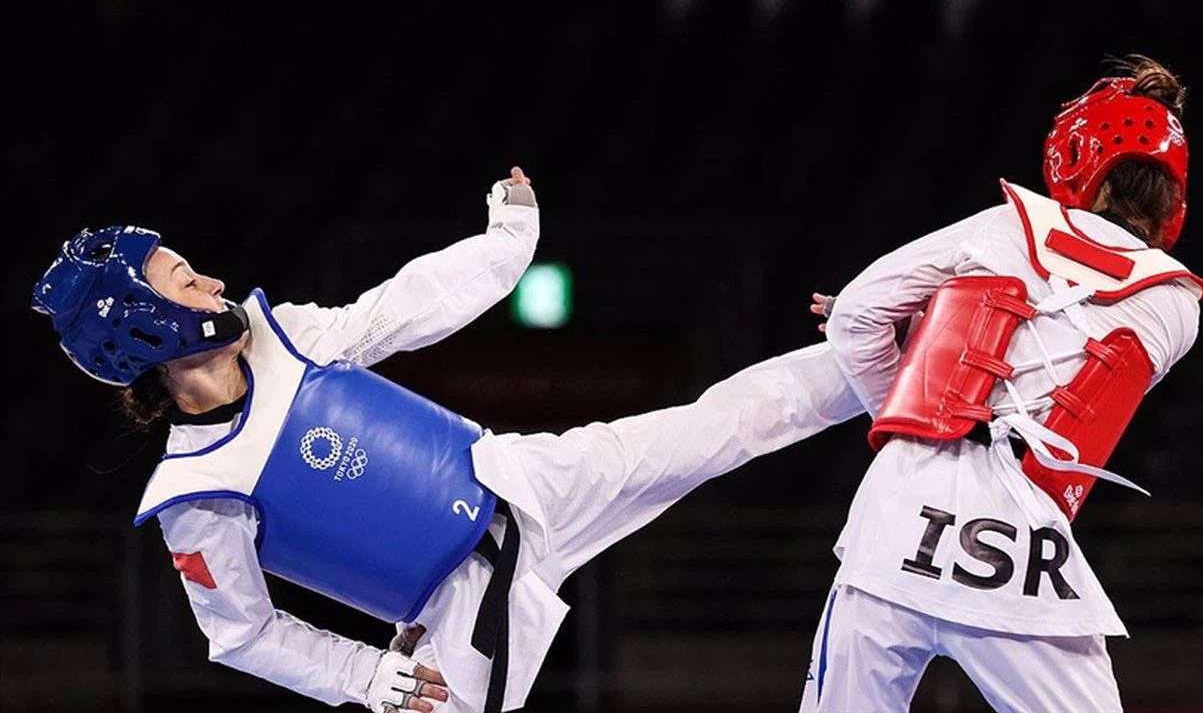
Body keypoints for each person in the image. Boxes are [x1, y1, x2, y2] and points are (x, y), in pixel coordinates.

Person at [31, 167, 863, 713]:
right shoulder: (197, 496)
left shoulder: (281, 337)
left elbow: (403, 305)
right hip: (448, 615)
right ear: (142, 326)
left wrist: (506, 249)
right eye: (184, 278)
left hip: (521, 481)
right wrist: (364, 676)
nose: (210, 282)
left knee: (721, 425)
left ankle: (883, 355)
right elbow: (241, 633)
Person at [800, 56, 1203, 712]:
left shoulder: (1003, 227)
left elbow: (852, 313)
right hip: (1020, 557)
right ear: (1172, 193)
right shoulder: (1176, 306)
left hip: (898, 527)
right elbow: (1073, 368)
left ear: (1073, 158)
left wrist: (911, 405)